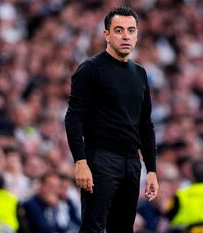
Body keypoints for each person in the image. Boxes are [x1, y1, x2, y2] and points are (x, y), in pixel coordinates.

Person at [64, 6, 159, 233]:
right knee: (93, 227)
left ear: (137, 34)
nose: (126, 36)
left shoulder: (140, 73)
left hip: (132, 162)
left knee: (123, 228)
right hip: (100, 159)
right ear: (106, 34)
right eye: (119, 30)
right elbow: (73, 117)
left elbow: (146, 124)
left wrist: (152, 169)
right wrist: (80, 162)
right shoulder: (91, 69)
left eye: (131, 30)